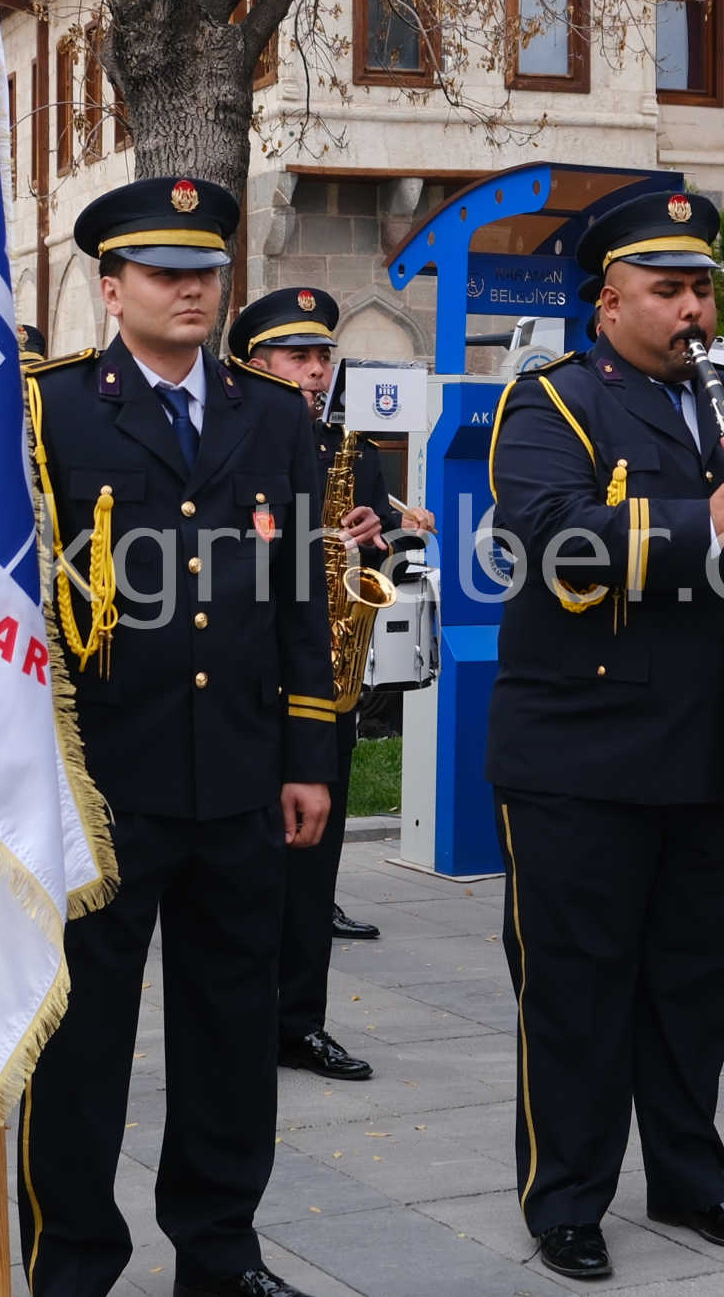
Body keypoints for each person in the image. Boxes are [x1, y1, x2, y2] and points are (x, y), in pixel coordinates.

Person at [484, 185, 724, 1281]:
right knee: (578, 982)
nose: (694, 311)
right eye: (668, 290)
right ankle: (567, 1195)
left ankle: (690, 1176)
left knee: (695, 978)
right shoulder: (551, 402)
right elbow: (545, 537)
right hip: (584, 747)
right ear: (606, 303)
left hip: (718, 741)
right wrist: (705, 517)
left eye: (703, 290)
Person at [17, 179, 341, 1297]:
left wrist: (307, 755)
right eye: (164, 271)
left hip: (240, 774)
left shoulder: (270, 413)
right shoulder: (49, 412)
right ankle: (72, 1255)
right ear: (110, 289)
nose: (193, 287)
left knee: (231, 1030)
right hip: (101, 781)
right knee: (83, 1038)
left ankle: (219, 1247)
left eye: (206, 268)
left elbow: (303, 590)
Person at [225, 284, 435, 1087]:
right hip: (246, 683)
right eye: (298, 357)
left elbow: (372, 564)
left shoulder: (353, 451)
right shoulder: (226, 439)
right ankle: (238, 1025)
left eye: (322, 357)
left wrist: (370, 549)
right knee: (244, 873)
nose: (316, 372)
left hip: (325, 682)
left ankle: (298, 1023)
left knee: (314, 871)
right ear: (254, 364)